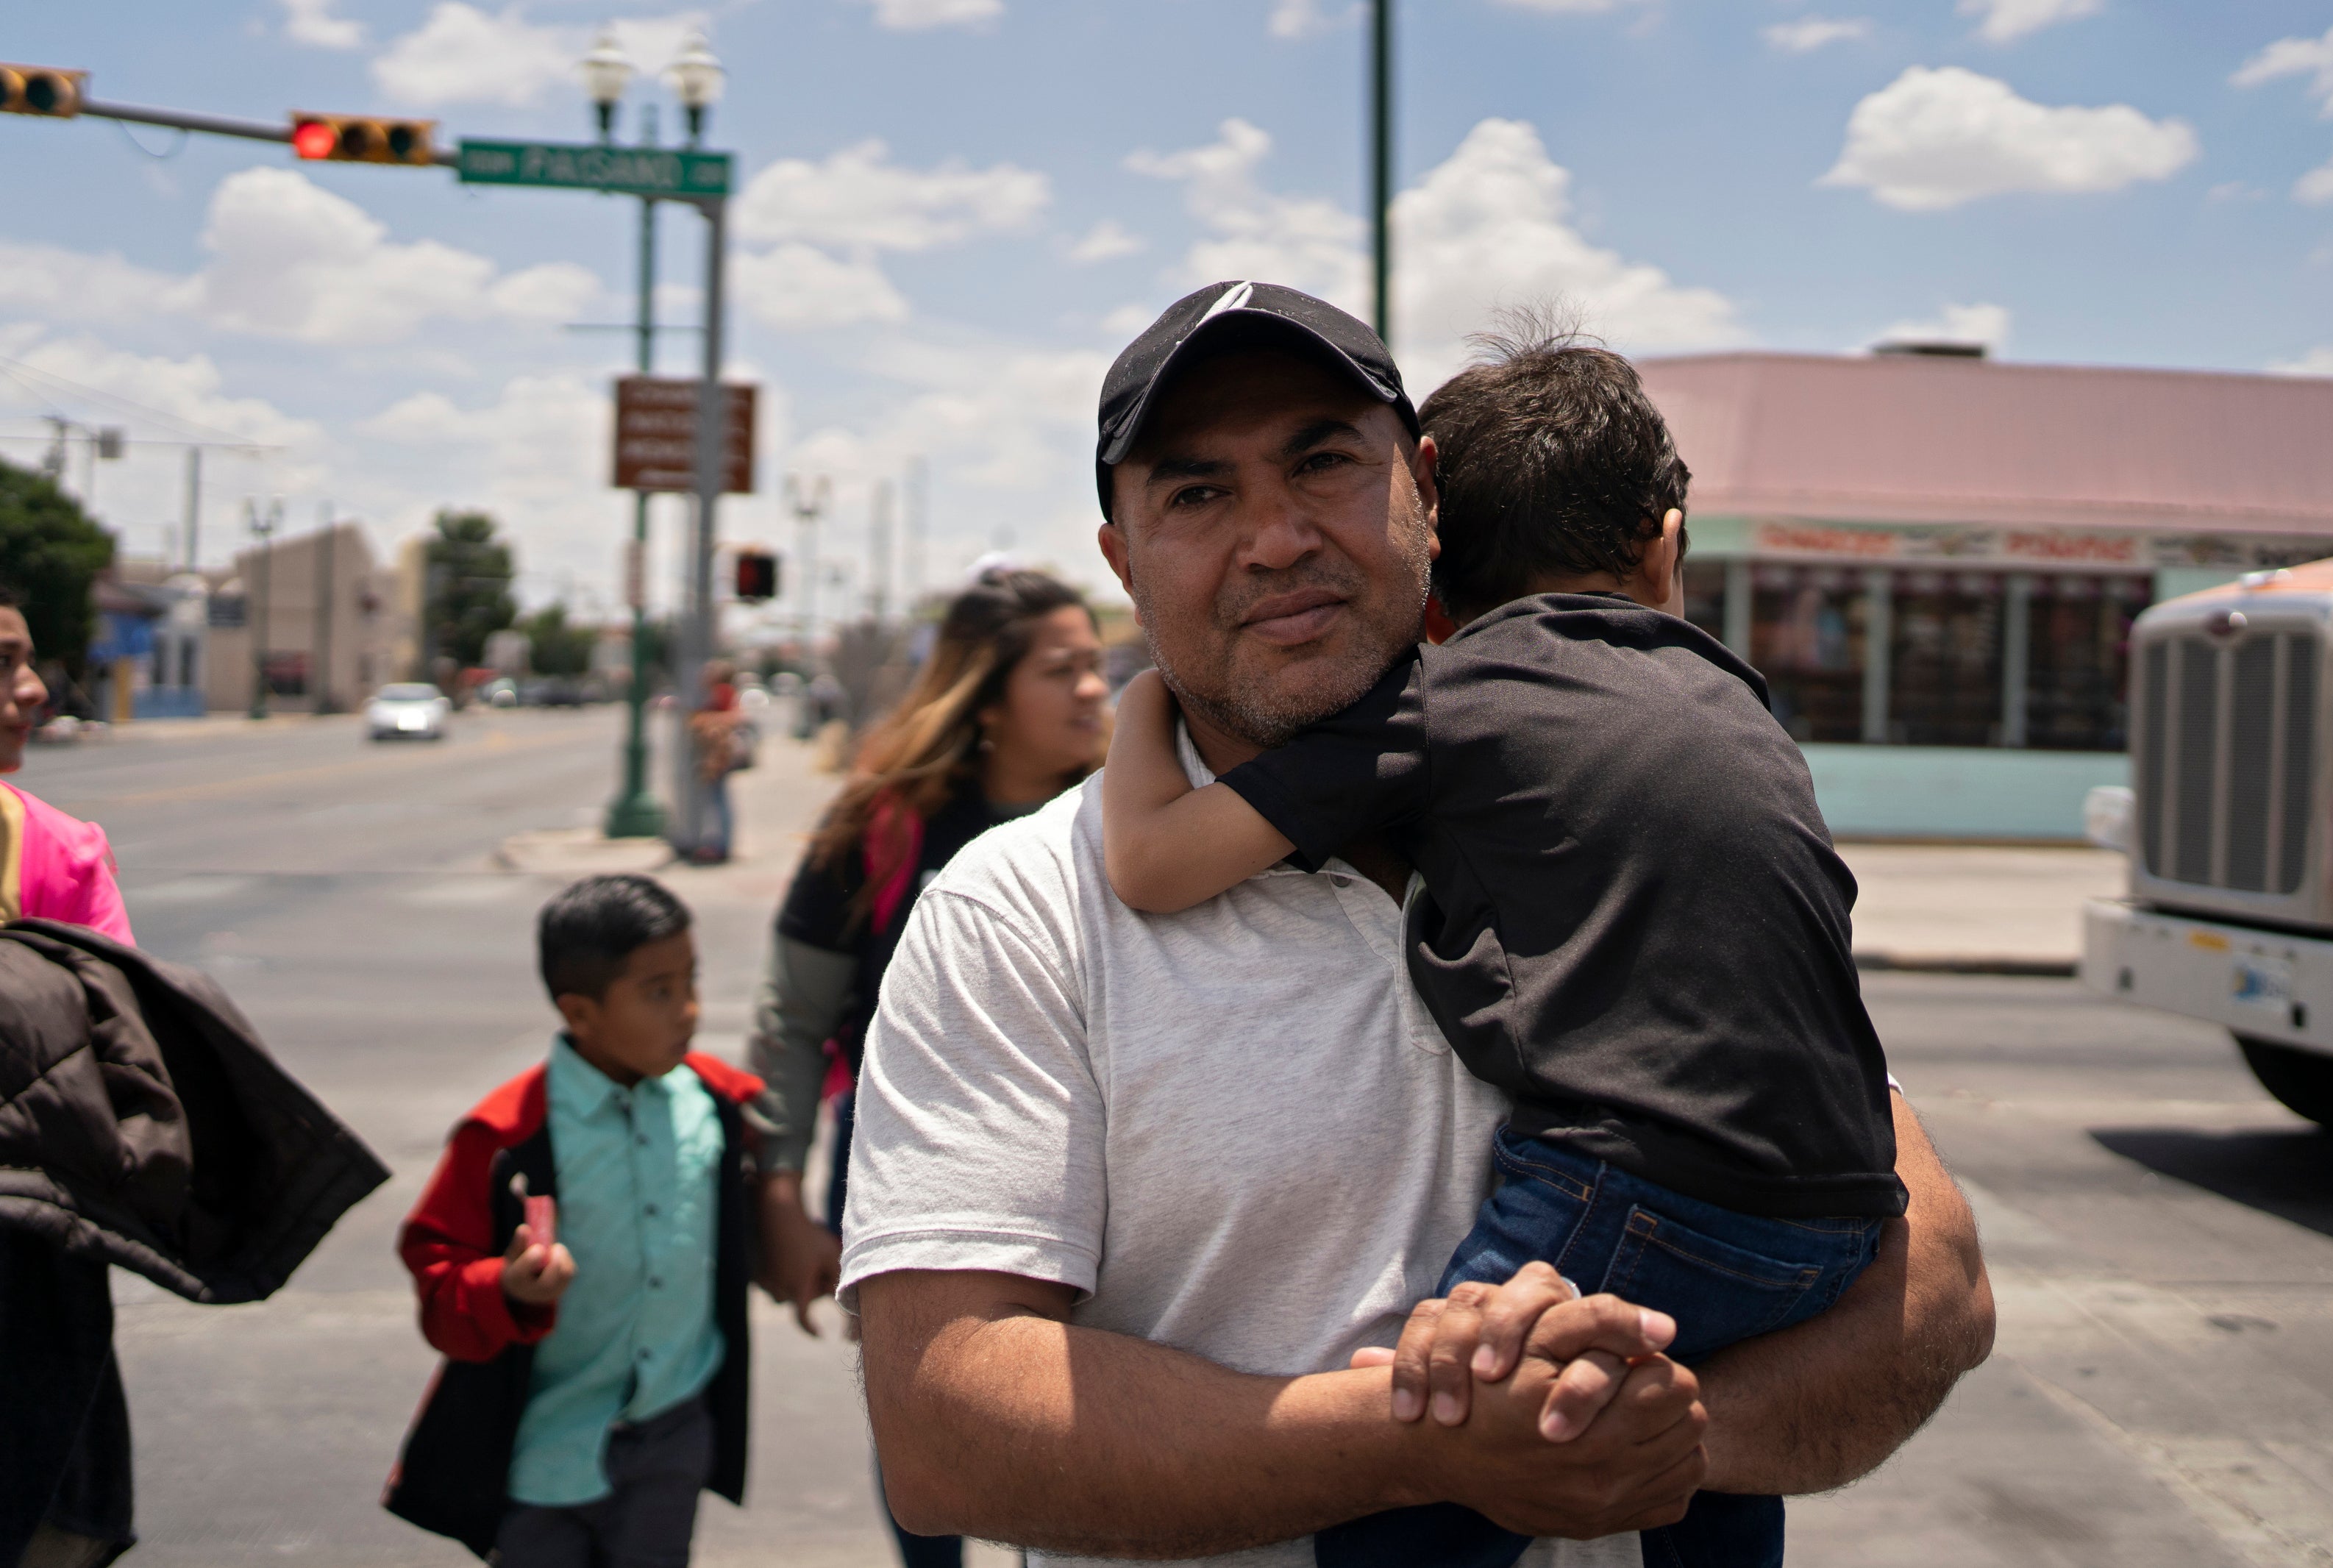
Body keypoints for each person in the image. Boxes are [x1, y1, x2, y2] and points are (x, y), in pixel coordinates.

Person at [839, 282, 1995, 1568]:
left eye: (1324, 461)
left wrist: (1666, 1437)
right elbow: (945, 1425)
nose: (1275, 540)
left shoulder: (1622, 804)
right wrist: (1425, 1445)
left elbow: (1936, 1284)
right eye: (1197, 494)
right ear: (1122, 555)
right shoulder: (1018, 916)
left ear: (1426, 488)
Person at [1104, 321, 1897, 1568]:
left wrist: (1143, 695)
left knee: (1431, 1458)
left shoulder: (1449, 706)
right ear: (1666, 550)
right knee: (1682, 1452)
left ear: (1432, 574)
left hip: (1636, 1195)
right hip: (1843, 1219)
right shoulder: (1738, 702)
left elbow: (1150, 864)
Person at [746, 568, 1111, 1568]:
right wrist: (777, 1192)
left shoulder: (1138, 813)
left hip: (1099, 1164)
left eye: (1096, 667)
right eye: (1063, 670)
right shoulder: (878, 826)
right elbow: (791, 1021)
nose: (1093, 689)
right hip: (904, 1165)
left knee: (1087, 1412)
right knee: (927, 1416)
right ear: (988, 697)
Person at [385, 874, 763, 1567]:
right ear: (580, 1013)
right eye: (659, 991)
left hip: (672, 1436)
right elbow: (436, 1277)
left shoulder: (714, 1104)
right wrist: (506, 1287)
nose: (690, 1009)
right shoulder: (505, 1138)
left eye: (691, 981)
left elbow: (768, 1170)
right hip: (545, 1452)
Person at [0, 585, 132, 941]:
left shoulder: (63, 857)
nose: (35, 690)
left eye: (27, 662)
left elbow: (109, 992)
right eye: (2, 662)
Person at [687, 661, 744, 864]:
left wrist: (703, 719)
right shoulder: (716, 691)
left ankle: (722, 846)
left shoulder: (723, 691)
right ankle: (718, 843)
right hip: (716, 754)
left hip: (718, 754)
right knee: (716, 799)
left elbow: (736, 716)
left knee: (719, 800)